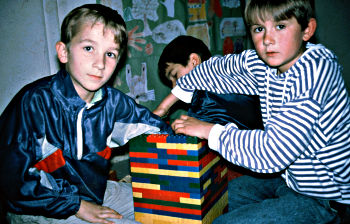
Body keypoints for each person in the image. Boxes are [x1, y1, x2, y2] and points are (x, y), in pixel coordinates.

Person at [170, 0, 350, 223]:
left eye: (280, 26)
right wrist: (171, 99)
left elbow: (274, 151)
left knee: (222, 222)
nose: (267, 39)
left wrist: (209, 130)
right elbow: (219, 68)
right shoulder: (267, 61)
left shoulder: (314, 73)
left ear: (307, 30)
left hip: (325, 198)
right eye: (259, 29)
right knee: (210, 198)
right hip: (290, 179)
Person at [0, 4, 171, 224]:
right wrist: (76, 206)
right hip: (38, 204)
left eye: (110, 54)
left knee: (166, 203)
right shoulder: (35, 102)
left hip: (91, 192)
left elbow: (154, 127)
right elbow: (11, 181)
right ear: (64, 52)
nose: (99, 64)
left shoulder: (113, 102)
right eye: (89, 48)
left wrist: (191, 134)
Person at [154, 35, 263, 130]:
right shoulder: (203, 98)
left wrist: (160, 110)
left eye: (175, 75)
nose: (174, 87)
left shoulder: (218, 68)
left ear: (194, 61)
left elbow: (162, 109)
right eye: (171, 82)